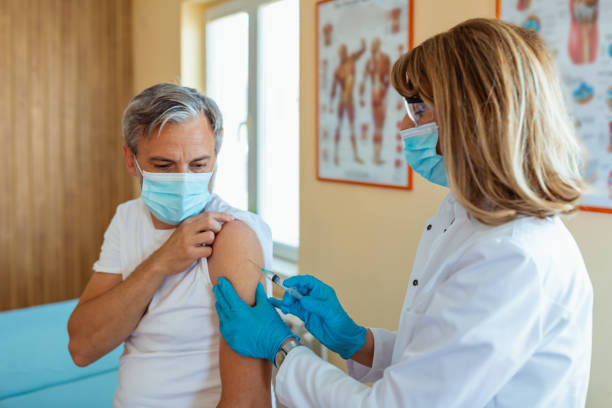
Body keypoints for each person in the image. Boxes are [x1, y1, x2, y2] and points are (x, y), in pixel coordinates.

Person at [213, 19, 593, 407]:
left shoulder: (512, 257)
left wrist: (281, 349)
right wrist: (357, 340)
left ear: (472, 118)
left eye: (418, 110)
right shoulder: (466, 214)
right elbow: (438, 360)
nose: (402, 126)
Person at [67, 84, 276, 407]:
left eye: (198, 165)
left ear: (215, 159)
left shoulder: (233, 235)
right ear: (130, 159)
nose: (183, 179)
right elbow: (82, 345)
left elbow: (248, 400)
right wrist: (161, 262)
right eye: (164, 166)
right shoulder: (128, 218)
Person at [330, 40, 367, 166]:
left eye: (344, 51)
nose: (343, 54)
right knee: (339, 126)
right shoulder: (338, 70)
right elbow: (334, 88)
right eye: (341, 52)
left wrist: (363, 46)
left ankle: (355, 155)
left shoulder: (351, 60)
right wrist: (330, 104)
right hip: (342, 101)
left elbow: (360, 53)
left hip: (350, 100)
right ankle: (335, 155)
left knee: (352, 128)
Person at [359, 37, 391, 166]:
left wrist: (385, 90)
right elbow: (364, 79)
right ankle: (376, 157)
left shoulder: (384, 59)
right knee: (378, 126)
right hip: (377, 94)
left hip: (379, 93)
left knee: (379, 127)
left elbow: (389, 77)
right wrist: (361, 97)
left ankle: (376, 156)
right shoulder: (371, 61)